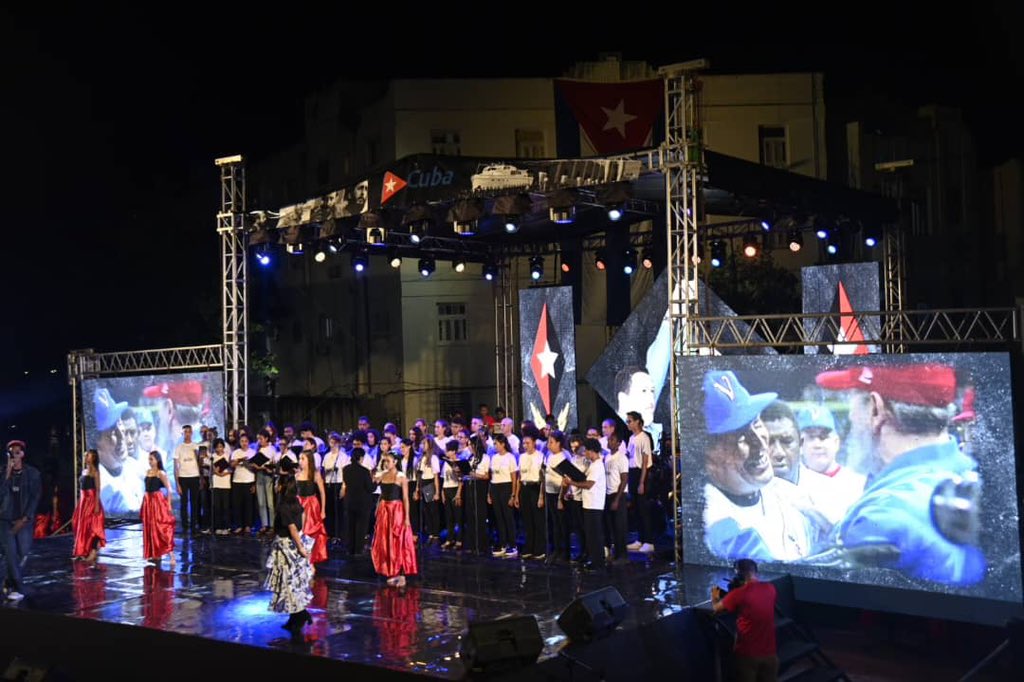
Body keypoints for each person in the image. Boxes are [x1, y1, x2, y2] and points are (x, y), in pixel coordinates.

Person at [817, 364, 986, 584]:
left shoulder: (880, 518)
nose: (850, 414)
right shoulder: (966, 469)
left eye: (852, 399)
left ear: (875, 409)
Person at [701, 371, 811, 562]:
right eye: (742, 437)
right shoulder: (717, 521)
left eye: (756, 423)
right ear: (711, 454)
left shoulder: (783, 492)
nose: (759, 443)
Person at [793, 406, 865, 526]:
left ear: (836, 442)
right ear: (800, 445)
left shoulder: (858, 484)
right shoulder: (793, 485)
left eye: (823, 437)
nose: (817, 445)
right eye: (810, 438)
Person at [711, 558, 778, 682]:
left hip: (747, 654)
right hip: (770, 654)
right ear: (756, 571)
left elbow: (716, 608)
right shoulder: (771, 589)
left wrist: (715, 595)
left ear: (738, 574)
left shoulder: (738, 594)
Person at [264, 478, 314, 640]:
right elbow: (303, 515)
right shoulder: (295, 502)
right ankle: (295, 616)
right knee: (291, 582)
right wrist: (302, 533)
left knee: (288, 581)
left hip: (288, 546)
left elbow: (292, 527)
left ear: (282, 487)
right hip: (292, 541)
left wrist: (300, 546)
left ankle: (300, 614)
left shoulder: (284, 506)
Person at [1, 440, 42, 601]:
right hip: (5, 520)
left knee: (21, 553)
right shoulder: (3, 472)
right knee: (10, 554)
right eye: (11, 453)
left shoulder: (33, 474)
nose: (14, 456)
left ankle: (8, 580)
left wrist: (25, 518)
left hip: (24, 520)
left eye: (17, 452)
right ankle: (16, 587)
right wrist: (7, 474)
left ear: (23, 454)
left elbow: (35, 497)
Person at [371, 451, 418, 587]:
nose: (386, 463)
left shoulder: (401, 476)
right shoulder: (383, 475)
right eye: (385, 461)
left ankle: (401, 574)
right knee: (385, 541)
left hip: (396, 510)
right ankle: (391, 571)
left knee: (398, 540)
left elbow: (405, 498)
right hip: (384, 510)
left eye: (389, 461)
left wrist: (407, 517)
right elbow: (375, 484)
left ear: (395, 462)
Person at [562, 438, 607, 570]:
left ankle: (598, 562)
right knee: (590, 533)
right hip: (589, 504)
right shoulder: (593, 465)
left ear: (593, 451)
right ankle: (594, 560)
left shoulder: (597, 466)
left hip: (594, 504)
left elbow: (588, 484)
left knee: (595, 534)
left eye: (587, 450)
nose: (585, 453)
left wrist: (572, 483)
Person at [625, 411, 656, 554]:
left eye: (630, 421)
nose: (628, 423)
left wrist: (642, 482)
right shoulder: (631, 438)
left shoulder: (644, 438)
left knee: (643, 509)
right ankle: (640, 538)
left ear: (638, 421)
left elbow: (644, 461)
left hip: (641, 473)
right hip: (632, 472)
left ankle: (649, 541)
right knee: (636, 508)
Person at [141, 452, 176, 566]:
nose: (149, 461)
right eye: (149, 459)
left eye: (151, 459)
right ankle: (156, 554)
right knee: (151, 528)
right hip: (148, 501)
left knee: (161, 527)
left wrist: (169, 504)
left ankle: (171, 556)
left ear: (157, 460)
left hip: (157, 501)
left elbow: (169, 489)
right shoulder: (148, 472)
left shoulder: (161, 473)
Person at [71, 449, 106, 563]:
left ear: (93, 458)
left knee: (93, 527)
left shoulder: (95, 472)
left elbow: (97, 489)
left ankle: (93, 552)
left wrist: (96, 505)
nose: (86, 458)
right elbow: (81, 489)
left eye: (88, 456)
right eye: (85, 456)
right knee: (80, 525)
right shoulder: (84, 471)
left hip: (91, 500)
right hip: (83, 501)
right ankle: (81, 551)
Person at [296, 450, 329, 570]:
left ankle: (311, 561)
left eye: (303, 459)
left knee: (310, 532)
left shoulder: (315, 474)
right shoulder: (298, 474)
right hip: (300, 504)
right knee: (300, 532)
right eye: (300, 458)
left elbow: (322, 492)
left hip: (311, 505)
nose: (300, 461)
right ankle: (302, 559)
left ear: (309, 460)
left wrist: (323, 510)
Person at [489, 434, 519, 558]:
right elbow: (492, 476)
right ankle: (502, 543)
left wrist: (513, 494)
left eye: (496, 443)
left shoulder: (510, 457)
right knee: (498, 517)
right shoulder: (494, 457)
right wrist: (489, 493)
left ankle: (512, 544)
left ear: (503, 444)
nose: (495, 446)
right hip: (495, 487)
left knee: (508, 517)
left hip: (506, 487)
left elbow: (514, 477)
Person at [517, 433, 546, 560]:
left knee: (538, 519)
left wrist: (541, 496)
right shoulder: (522, 457)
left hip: (536, 487)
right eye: (524, 443)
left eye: (528, 443)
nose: (525, 445)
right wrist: (516, 495)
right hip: (524, 487)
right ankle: (529, 547)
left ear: (534, 442)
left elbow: (543, 478)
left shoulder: (541, 456)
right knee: (527, 520)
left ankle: (540, 549)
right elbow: (519, 477)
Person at [543, 431, 569, 564]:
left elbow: (566, 478)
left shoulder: (564, 456)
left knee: (561, 524)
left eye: (551, 442)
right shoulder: (549, 455)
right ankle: (556, 549)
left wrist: (561, 497)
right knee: (553, 524)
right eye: (548, 442)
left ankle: (564, 552)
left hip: (560, 494)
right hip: (549, 492)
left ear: (559, 443)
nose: (549, 445)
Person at [342, 448, 374, 556]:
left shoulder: (345, 469)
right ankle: (358, 549)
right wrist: (376, 482)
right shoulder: (364, 471)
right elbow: (370, 488)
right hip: (362, 502)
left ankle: (350, 548)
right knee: (361, 526)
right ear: (361, 458)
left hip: (350, 501)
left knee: (350, 526)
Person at [604, 430, 630, 564]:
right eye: (609, 440)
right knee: (612, 527)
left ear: (619, 443)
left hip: (618, 494)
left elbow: (624, 479)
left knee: (620, 527)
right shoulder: (607, 457)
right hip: (608, 494)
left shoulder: (622, 458)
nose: (609, 442)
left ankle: (623, 556)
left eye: (613, 440)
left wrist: (617, 499)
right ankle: (616, 554)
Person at [173, 425, 201, 534]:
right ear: (182, 433)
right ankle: (185, 526)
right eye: (185, 432)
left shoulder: (196, 446)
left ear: (192, 433)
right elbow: (175, 466)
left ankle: (194, 526)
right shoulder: (179, 447)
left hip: (194, 476)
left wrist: (201, 478)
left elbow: (200, 463)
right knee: (183, 503)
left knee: (194, 503)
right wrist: (177, 483)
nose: (187, 434)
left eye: (189, 432)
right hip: (183, 477)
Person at [322, 433, 348, 543]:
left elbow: (346, 473)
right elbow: (323, 471)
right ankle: (331, 533)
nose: (331, 444)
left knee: (339, 510)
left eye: (333, 442)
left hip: (339, 483)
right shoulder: (327, 456)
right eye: (329, 442)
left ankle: (340, 533)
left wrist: (344, 487)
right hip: (329, 483)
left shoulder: (343, 456)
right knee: (330, 509)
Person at [440, 440, 464, 550]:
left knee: (458, 517)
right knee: (448, 516)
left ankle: (459, 540)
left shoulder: (459, 462)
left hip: (455, 490)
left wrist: (458, 493)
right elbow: (444, 478)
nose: (446, 452)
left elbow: (461, 480)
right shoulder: (445, 463)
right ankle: (450, 539)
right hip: (447, 489)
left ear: (454, 451)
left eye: (448, 450)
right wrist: (442, 492)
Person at [230, 432, 256, 535]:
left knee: (248, 505)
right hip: (237, 481)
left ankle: (248, 526)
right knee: (237, 504)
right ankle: (239, 525)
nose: (244, 443)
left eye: (246, 441)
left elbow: (255, 468)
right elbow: (232, 464)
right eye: (242, 441)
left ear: (249, 442)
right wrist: (240, 460)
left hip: (249, 480)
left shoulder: (253, 452)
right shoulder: (236, 452)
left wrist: (254, 484)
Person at [210, 438, 233, 535]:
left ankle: (226, 527)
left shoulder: (228, 456)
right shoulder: (213, 457)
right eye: (217, 447)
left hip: (226, 484)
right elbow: (212, 471)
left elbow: (231, 469)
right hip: (216, 484)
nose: (219, 449)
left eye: (221, 446)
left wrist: (223, 474)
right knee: (217, 506)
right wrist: (217, 473)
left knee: (226, 506)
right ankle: (218, 526)